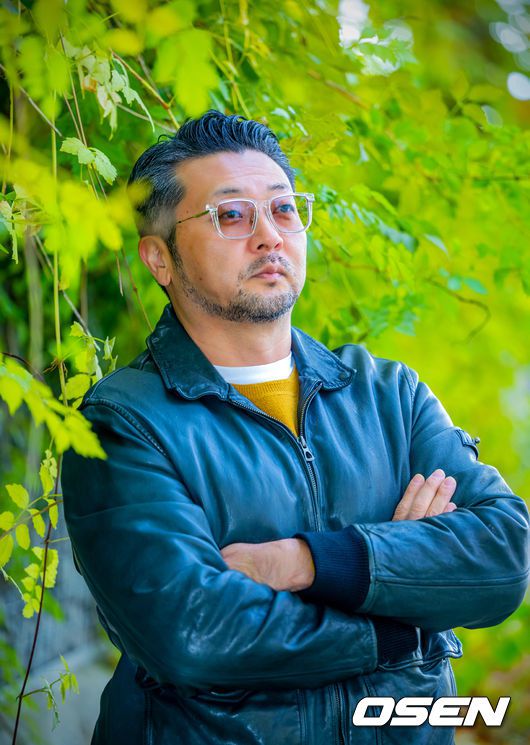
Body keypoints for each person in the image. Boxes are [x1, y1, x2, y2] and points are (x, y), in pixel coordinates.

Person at [61, 111, 529, 745]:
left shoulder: (387, 395)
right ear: (160, 259)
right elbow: (195, 633)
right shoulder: (125, 422)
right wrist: (399, 618)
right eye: (231, 215)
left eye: (283, 210)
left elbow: (503, 557)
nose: (268, 237)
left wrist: (306, 562)